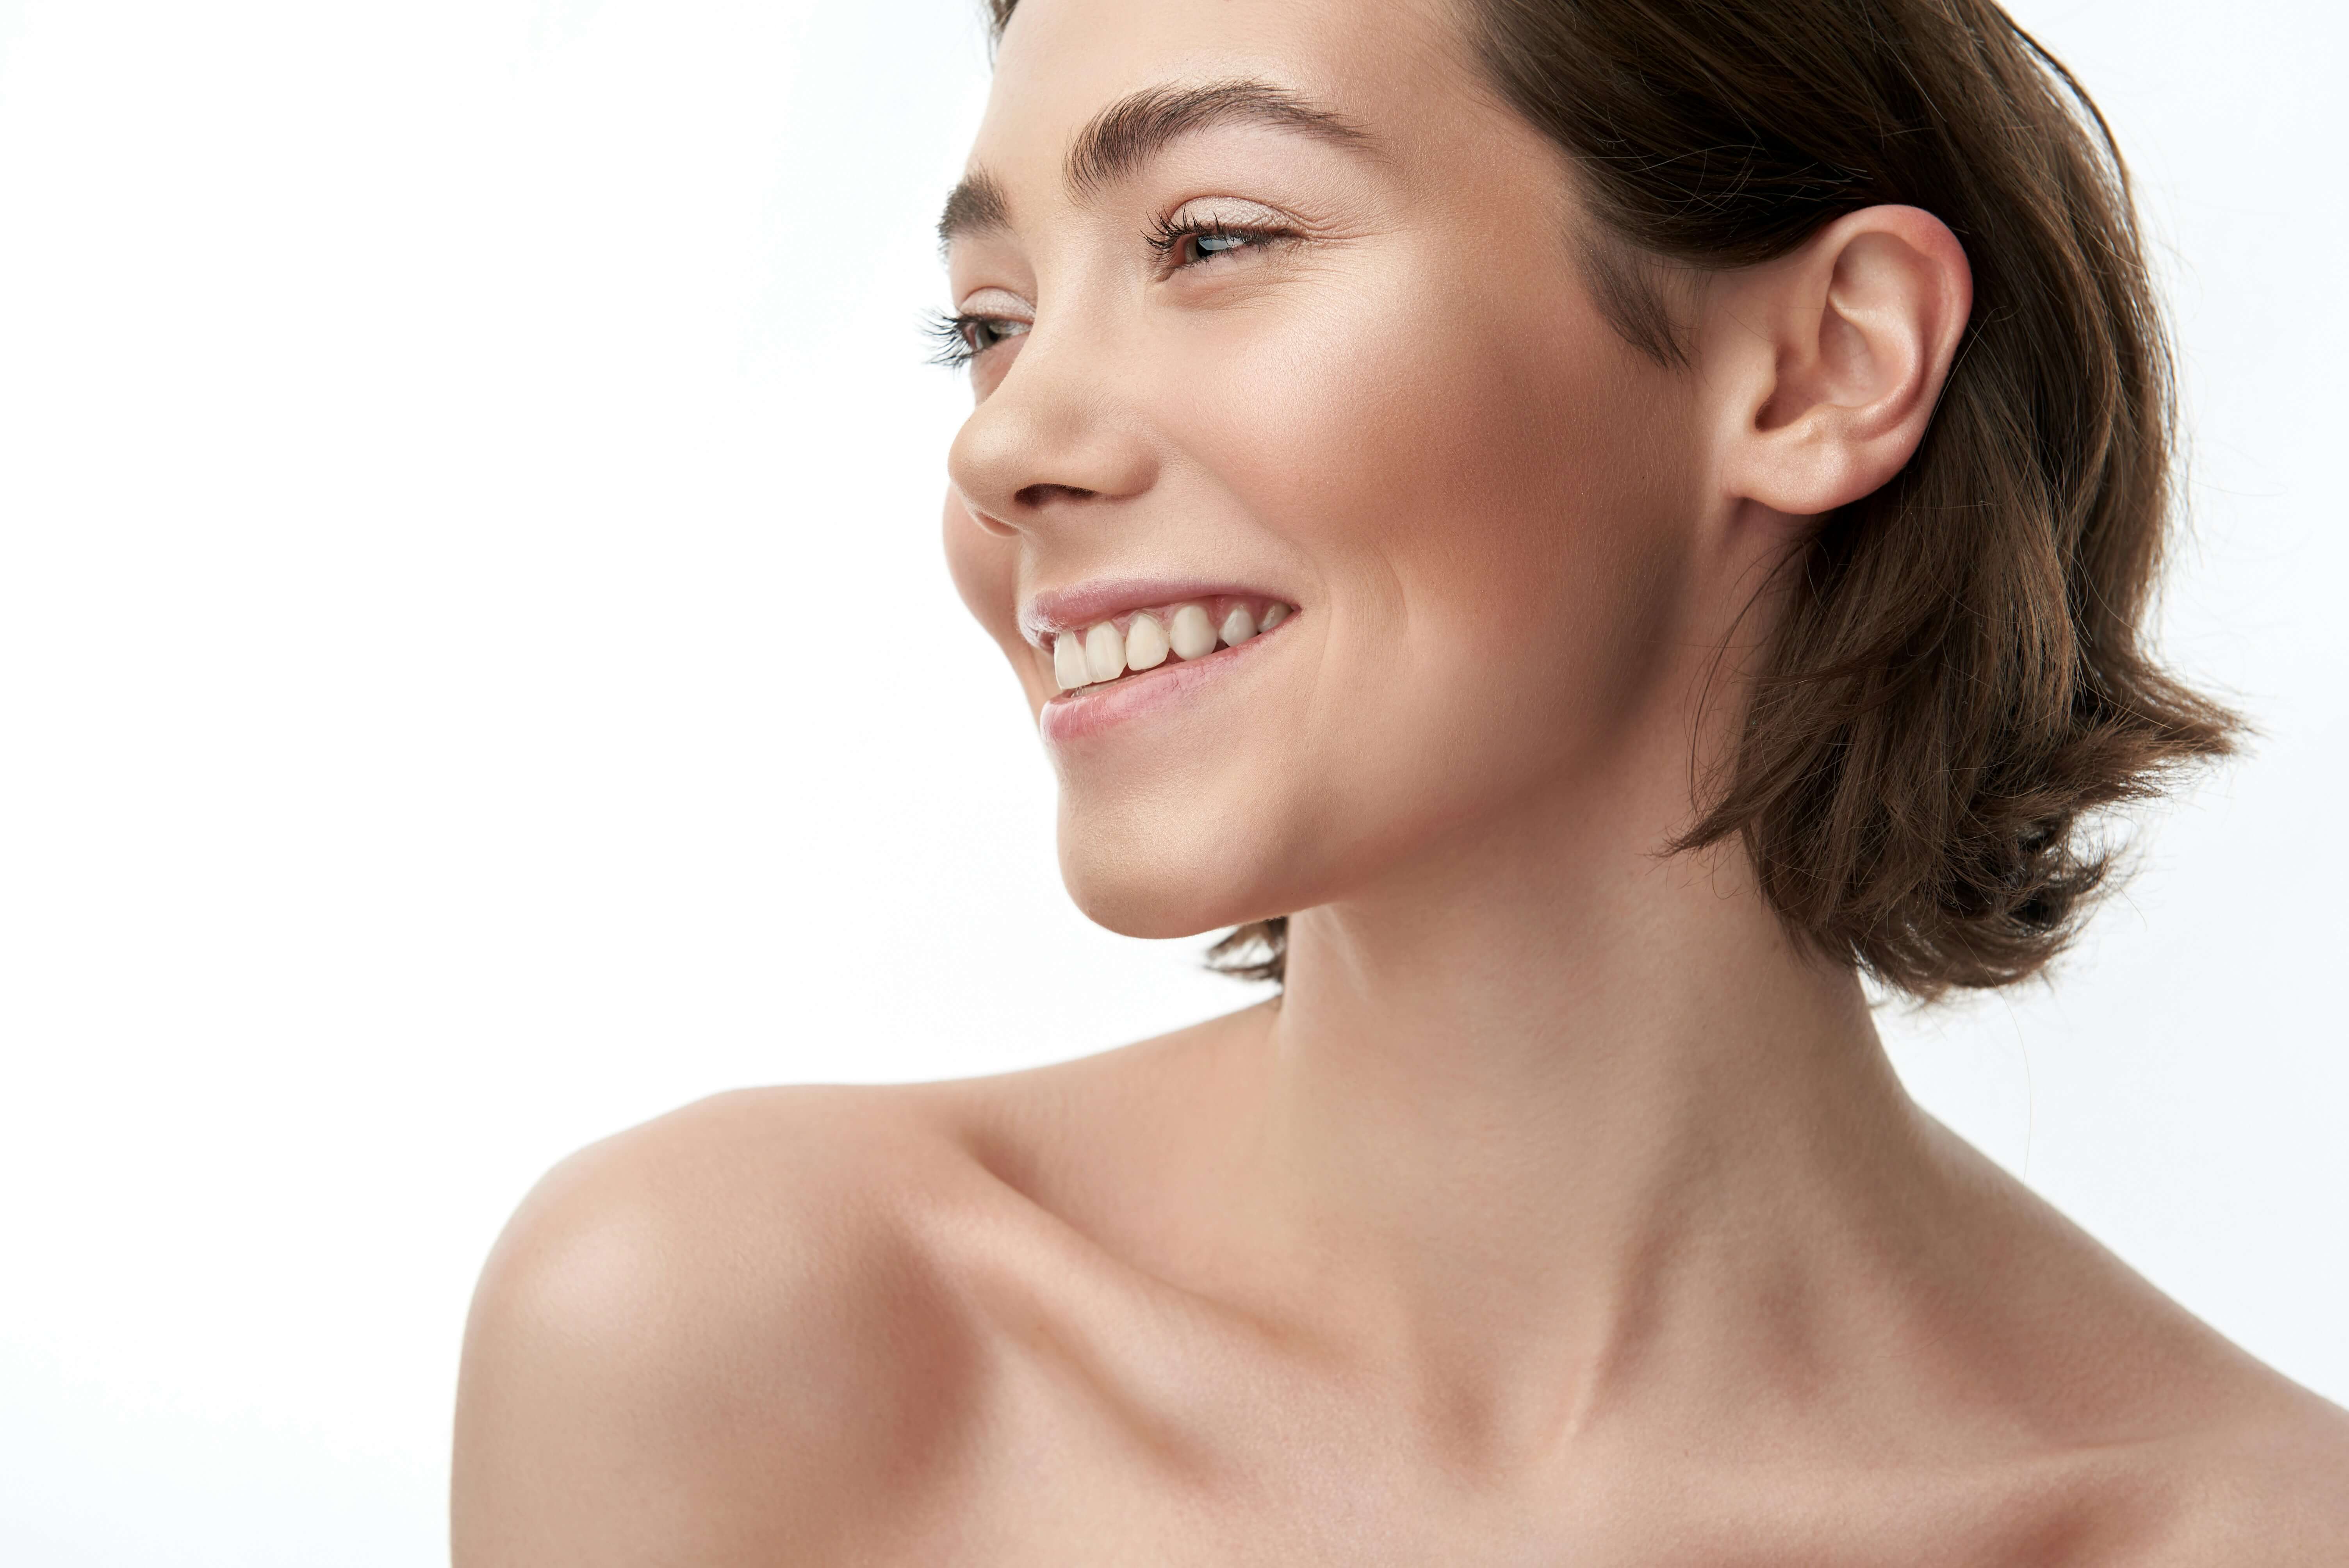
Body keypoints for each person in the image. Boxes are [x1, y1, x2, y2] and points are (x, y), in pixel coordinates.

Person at [450, 0, 2349, 1559]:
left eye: (1213, 240)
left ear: (1820, 366)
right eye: (988, 323)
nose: (1004, 443)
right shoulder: (738, 1338)